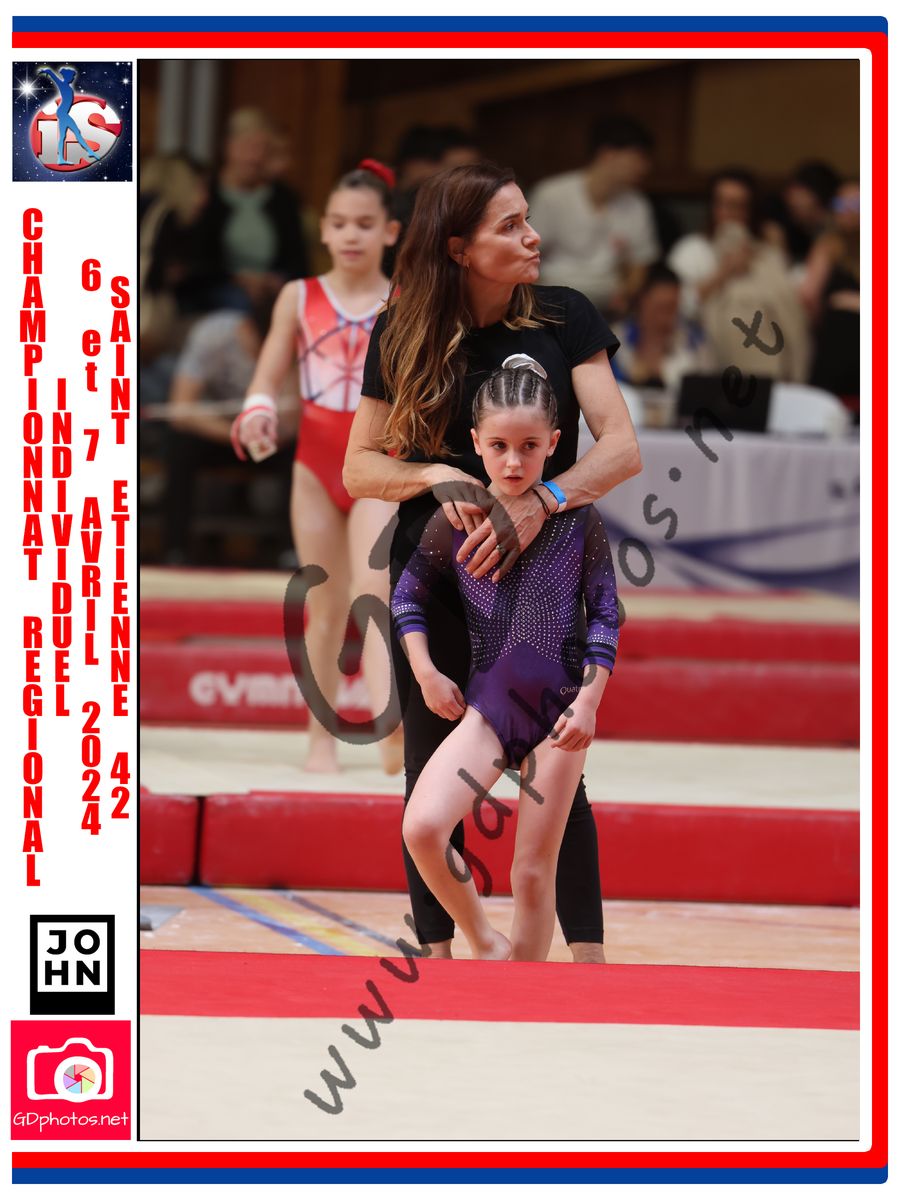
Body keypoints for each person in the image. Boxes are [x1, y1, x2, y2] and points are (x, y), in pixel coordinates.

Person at [344, 161, 642, 962]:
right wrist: (434, 476)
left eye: (527, 218)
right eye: (509, 226)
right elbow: (359, 467)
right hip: (439, 572)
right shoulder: (403, 330)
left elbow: (621, 447)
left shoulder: (564, 316)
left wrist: (540, 500)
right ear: (459, 248)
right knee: (427, 766)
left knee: (557, 771)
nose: (533, 237)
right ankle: (444, 958)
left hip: (542, 575)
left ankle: (588, 966)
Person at [392, 359, 619, 960]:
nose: (514, 462)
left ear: (554, 443)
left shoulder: (578, 521)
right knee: (423, 828)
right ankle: (486, 945)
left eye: (528, 447)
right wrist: (425, 671)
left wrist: (589, 702)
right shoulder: (459, 520)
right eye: (499, 447)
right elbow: (407, 598)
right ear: (475, 444)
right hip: (489, 710)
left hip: (559, 715)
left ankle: (523, 995)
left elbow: (605, 615)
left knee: (531, 873)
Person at [233, 160, 404, 774]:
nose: (351, 234)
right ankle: (319, 742)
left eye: (365, 223)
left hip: (376, 463)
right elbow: (266, 379)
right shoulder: (297, 296)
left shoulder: (406, 300)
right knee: (325, 606)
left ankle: (390, 729)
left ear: (390, 231)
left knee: (374, 592)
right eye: (340, 223)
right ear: (324, 231)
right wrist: (256, 412)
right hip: (314, 465)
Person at [667, 167, 809, 381]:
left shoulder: (767, 254)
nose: (729, 213)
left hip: (764, 363)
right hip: (705, 364)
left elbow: (790, 306)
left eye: (737, 206)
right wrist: (723, 274)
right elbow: (676, 308)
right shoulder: (692, 250)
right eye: (722, 204)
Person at [527, 115, 659, 313]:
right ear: (608, 154)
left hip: (607, 303)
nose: (644, 167)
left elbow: (640, 264)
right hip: (553, 299)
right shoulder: (551, 194)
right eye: (638, 157)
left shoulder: (637, 205)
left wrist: (626, 294)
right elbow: (525, 253)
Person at [800, 180, 860, 403]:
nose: (847, 211)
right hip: (835, 342)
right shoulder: (827, 245)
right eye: (840, 204)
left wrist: (855, 302)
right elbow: (808, 295)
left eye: (856, 204)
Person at [611, 263, 712, 392]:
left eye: (672, 308)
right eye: (659, 308)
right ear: (641, 302)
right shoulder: (615, 341)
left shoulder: (695, 343)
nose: (665, 318)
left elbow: (708, 389)